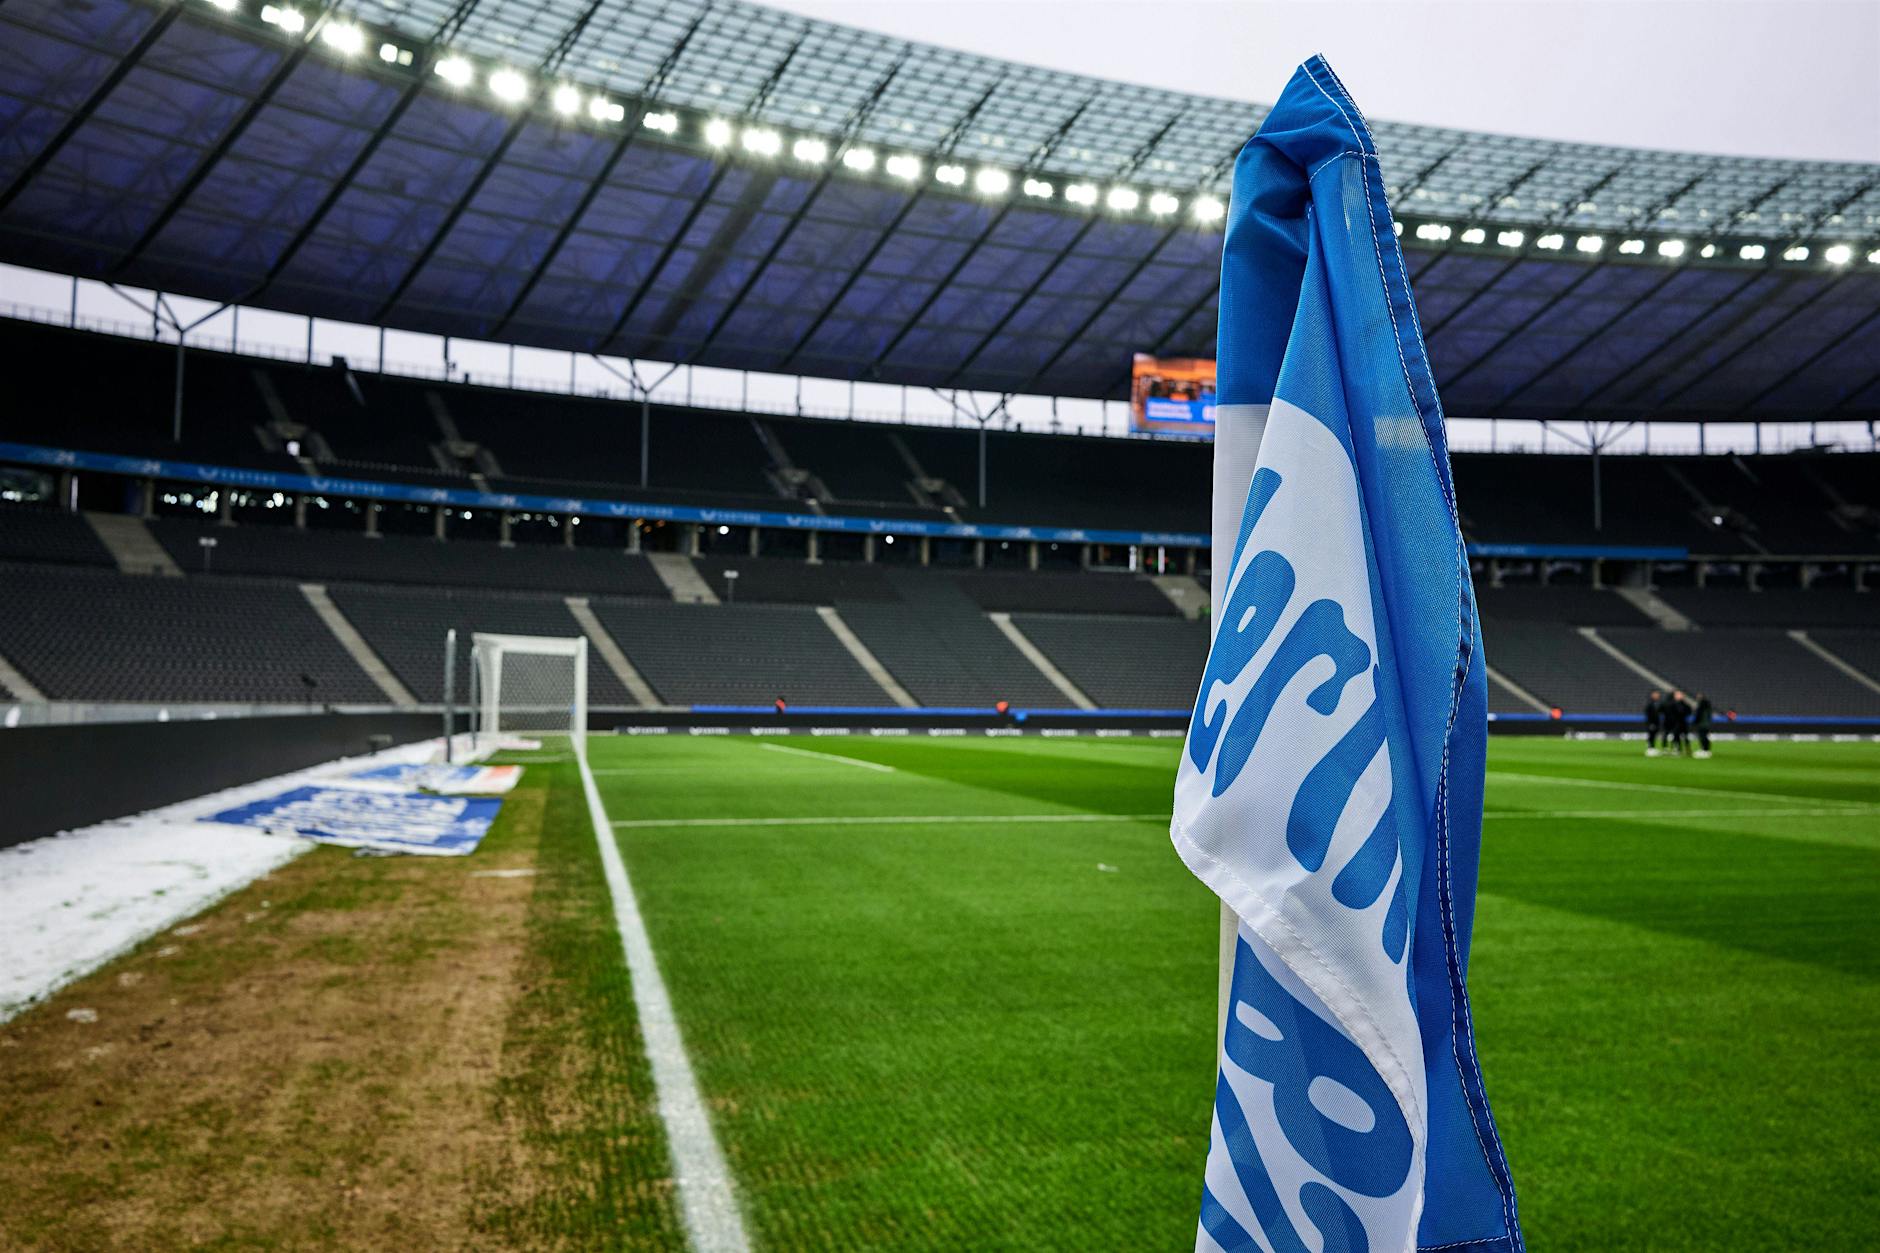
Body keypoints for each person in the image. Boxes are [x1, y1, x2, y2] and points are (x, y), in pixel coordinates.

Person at [1664, 690, 1692, 757]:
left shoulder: (1684, 704)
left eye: (1680, 695)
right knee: (1676, 737)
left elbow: (1689, 711)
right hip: (1675, 723)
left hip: (1683, 723)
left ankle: (1687, 749)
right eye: (1677, 695)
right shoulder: (1672, 704)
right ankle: (1678, 749)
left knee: (1685, 736)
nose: (1679, 696)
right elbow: (1669, 713)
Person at [1692, 693, 1714, 758]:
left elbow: (1698, 715)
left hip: (1702, 724)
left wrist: (1694, 722)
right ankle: (1706, 750)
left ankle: (1704, 751)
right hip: (1706, 724)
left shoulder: (1701, 707)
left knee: (1702, 737)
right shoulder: (1708, 708)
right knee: (1705, 737)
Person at [1643, 690, 1663, 756]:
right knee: (1651, 735)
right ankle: (1649, 748)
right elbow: (1647, 714)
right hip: (1651, 723)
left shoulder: (1658, 703)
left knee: (1654, 735)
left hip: (1656, 722)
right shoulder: (1650, 703)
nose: (1657, 695)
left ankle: (1652, 748)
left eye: (1657, 694)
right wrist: (1650, 723)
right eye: (1655, 694)